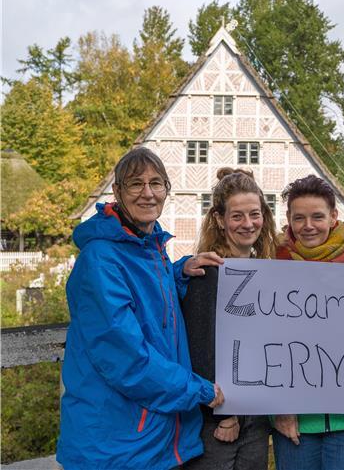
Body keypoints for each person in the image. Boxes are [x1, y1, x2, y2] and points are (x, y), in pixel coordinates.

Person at [57, 148, 225, 470]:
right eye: (136, 184)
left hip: (149, 439)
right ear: (118, 192)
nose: (147, 193)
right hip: (115, 445)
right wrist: (198, 390)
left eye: (156, 183)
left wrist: (178, 272)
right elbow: (126, 358)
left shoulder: (150, 249)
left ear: (166, 190)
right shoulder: (101, 260)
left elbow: (148, 303)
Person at [271, 174, 344, 470]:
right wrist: (279, 410)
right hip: (295, 420)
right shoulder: (273, 266)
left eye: (317, 216)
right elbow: (264, 344)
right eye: (299, 218)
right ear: (289, 219)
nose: (308, 225)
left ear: (334, 216)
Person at [182, 168, 277, 469]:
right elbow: (200, 347)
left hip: (256, 415)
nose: (248, 224)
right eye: (237, 216)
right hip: (219, 417)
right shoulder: (206, 272)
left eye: (255, 214)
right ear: (220, 220)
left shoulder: (268, 270)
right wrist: (225, 415)